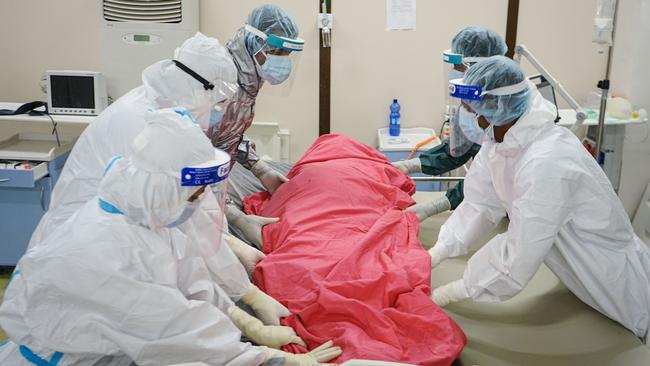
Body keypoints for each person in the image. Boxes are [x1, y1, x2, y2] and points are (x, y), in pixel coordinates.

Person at [0, 109, 342, 366]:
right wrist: (268, 357)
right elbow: (176, 330)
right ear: (162, 189)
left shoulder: (147, 219)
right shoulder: (102, 252)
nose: (197, 202)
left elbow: (192, 280)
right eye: (195, 194)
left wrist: (249, 322)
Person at [27, 33, 281, 323]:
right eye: (217, 101)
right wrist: (242, 291)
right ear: (200, 88)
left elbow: (193, 201)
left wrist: (231, 241)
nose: (217, 112)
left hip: (114, 235)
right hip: (83, 247)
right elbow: (184, 219)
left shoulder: (168, 115)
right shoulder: (141, 124)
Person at [428, 56, 650, 345]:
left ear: (496, 108)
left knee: (635, 338)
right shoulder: (499, 141)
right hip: (578, 274)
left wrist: (451, 292)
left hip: (615, 281)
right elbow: (480, 204)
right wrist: (436, 253)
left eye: (471, 109)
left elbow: (518, 256)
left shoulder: (546, 161)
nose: (465, 115)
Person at [393, 27, 507, 220]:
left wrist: (439, 204)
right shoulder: (471, 105)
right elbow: (457, 151)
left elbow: (488, 178)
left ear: (479, 67)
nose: (454, 72)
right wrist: (411, 165)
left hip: (511, 205)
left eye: (458, 66)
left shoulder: (508, 114)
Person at [209, 4, 303, 196]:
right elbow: (198, 151)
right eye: (277, 53)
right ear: (254, 42)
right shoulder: (220, 79)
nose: (282, 61)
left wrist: (259, 168)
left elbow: (228, 136)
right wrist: (229, 212)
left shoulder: (248, 80)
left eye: (287, 55)